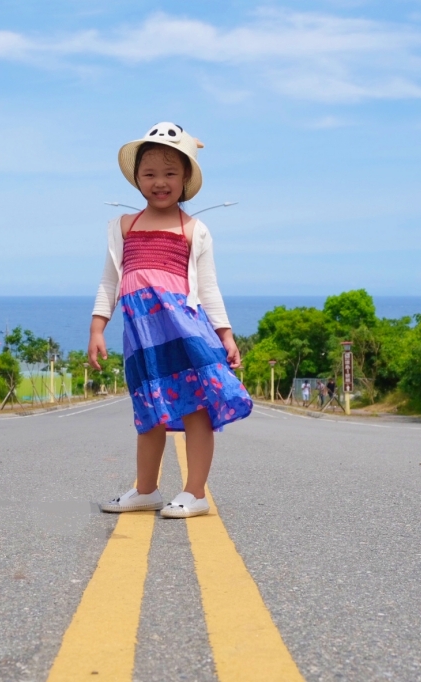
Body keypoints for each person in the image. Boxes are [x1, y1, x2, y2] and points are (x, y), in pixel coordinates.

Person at [90, 122, 253, 519]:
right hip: (143, 336)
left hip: (185, 330)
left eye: (170, 174)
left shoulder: (194, 229)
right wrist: (98, 327)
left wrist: (225, 335)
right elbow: (110, 280)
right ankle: (145, 490)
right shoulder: (123, 227)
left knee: (196, 407)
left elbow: (209, 289)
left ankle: (194, 492)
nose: (159, 182)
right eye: (149, 174)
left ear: (185, 179)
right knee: (149, 410)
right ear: (136, 179)